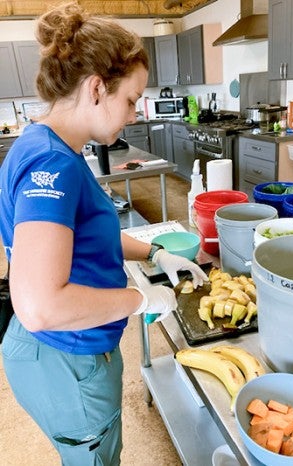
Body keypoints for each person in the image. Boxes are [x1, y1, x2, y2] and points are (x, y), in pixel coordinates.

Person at [0, 2, 208, 465]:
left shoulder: (46, 145)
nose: (134, 114)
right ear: (97, 88)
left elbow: (79, 239)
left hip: (53, 353)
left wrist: (154, 253)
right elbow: (41, 307)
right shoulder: (52, 164)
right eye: (131, 99)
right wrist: (141, 300)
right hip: (65, 356)